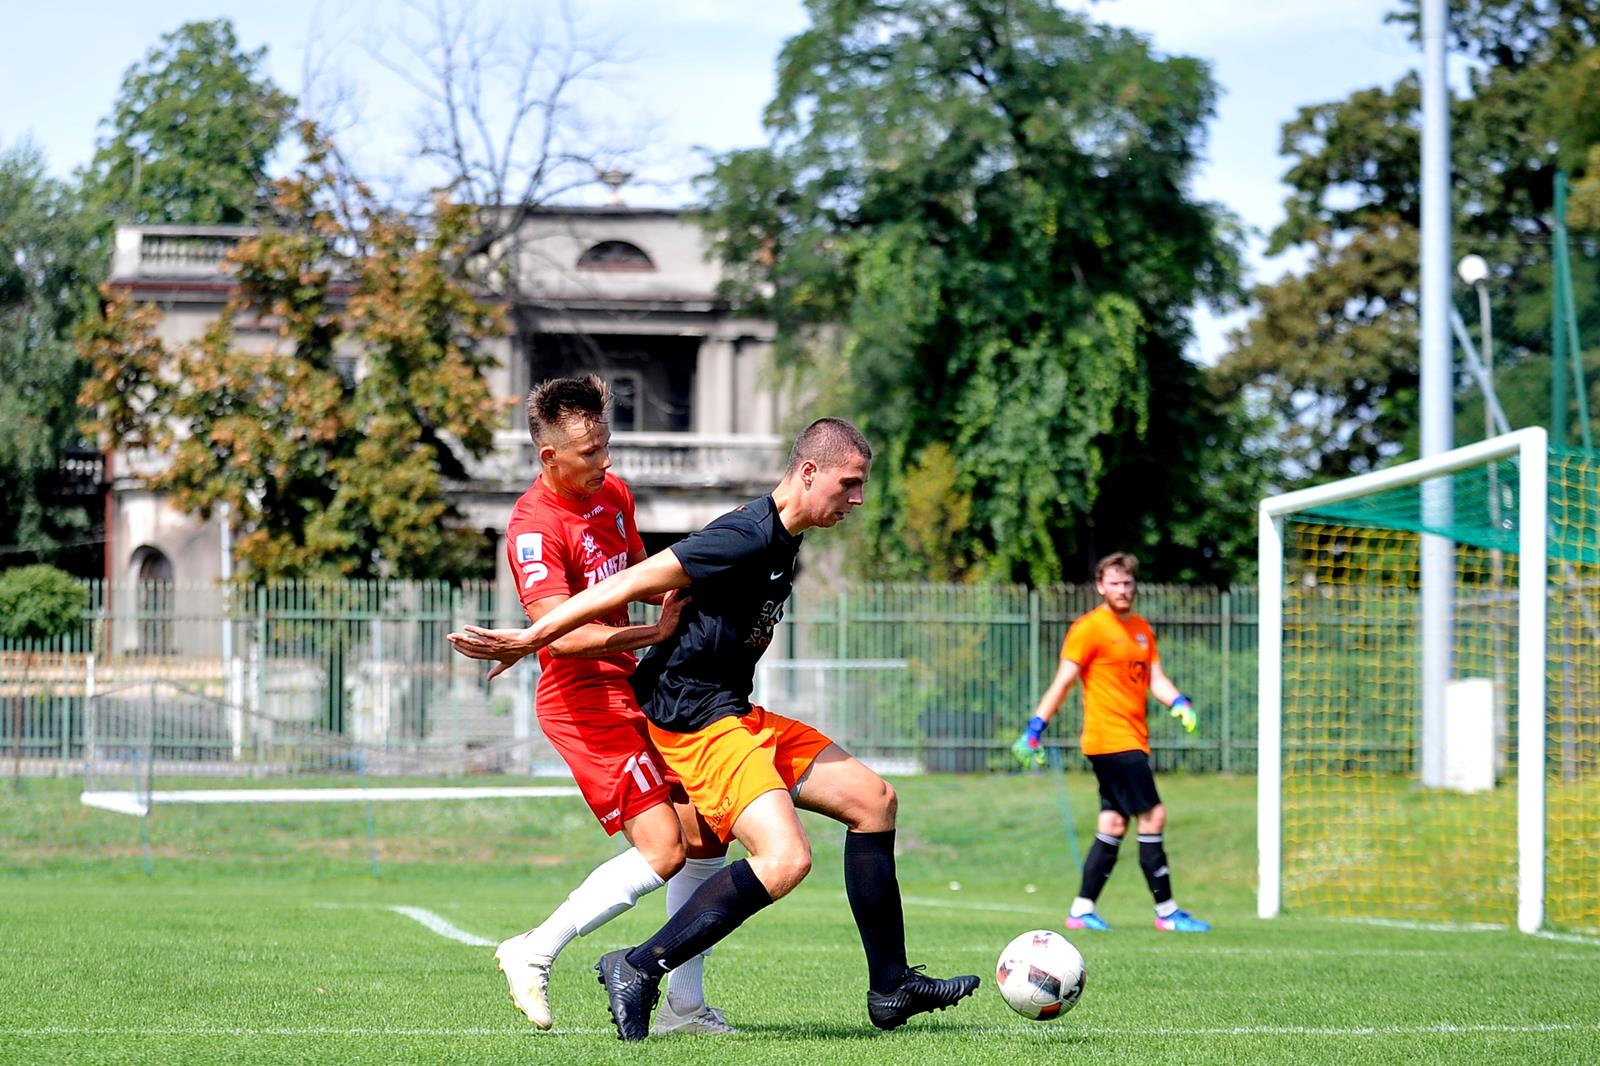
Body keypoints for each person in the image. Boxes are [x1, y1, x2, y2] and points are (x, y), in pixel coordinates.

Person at [449, 417, 979, 1041]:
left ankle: (891, 987)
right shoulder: (743, 535)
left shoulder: (783, 536)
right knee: (783, 859)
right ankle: (638, 966)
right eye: (850, 483)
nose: (858, 498)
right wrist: (533, 637)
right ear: (810, 473)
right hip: (696, 718)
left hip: (733, 709)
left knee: (874, 801)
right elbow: (631, 581)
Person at [489, 375, 735, 1036]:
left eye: (605, 444)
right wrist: (651, 634)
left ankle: (684, 1007)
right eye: (590, 452)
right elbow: (559, 636)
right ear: (549, 457)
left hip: (633, 684)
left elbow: (639, 577)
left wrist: (710, 584)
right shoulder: (533, 528)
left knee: (708, 831)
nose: (606, 461)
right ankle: (533, 951)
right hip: (583, 701)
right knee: (664, 849)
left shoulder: (614, 493)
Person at [1011, 551, 1212, 934]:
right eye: (1114, 583)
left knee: (1114, 822)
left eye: (1128, 583)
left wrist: (1179, 702)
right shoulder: (1089, 628)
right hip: (1110, 739)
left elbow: (1155, 678)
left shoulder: (1141, 629)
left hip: (1132, 738)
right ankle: (1167, 911)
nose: (1122, 589)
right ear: (1101, 586)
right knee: (1153, 815)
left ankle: (1081, 910)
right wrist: (1035, 728)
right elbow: (1064, 681)